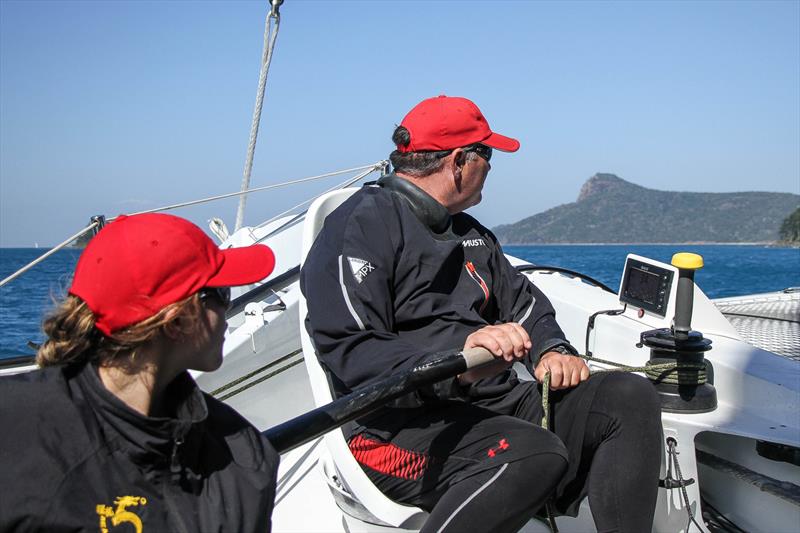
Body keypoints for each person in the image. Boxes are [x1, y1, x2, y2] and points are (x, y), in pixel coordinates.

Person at [301, 95, 662, 532]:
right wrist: (458, 364)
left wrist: (551, 350)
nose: (491, 166)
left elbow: (525, 304)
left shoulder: (473, 235)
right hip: (391, 430)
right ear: (458, 162)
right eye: (487, 154)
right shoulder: (359, 225)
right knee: (533, 452)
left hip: (492, 407)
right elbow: (352, 349)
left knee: (628, 396)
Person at [0, 213, 279, 532]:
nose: (228, 311)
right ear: (176, 321)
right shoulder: (15, 432)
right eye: (221, 294)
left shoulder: (247, 462)